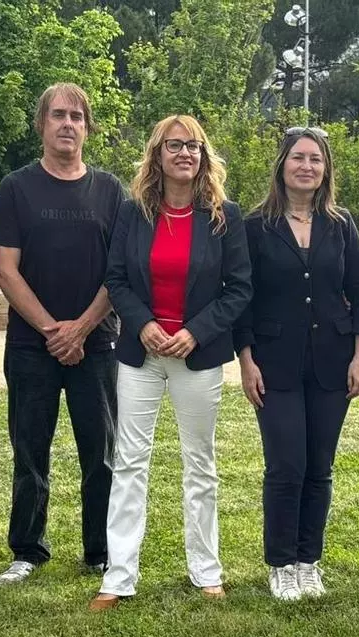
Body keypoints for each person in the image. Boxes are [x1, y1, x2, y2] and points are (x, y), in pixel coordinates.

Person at [88, 115, 252, 610]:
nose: (185, 153)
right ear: (157, 154)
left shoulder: (224, 216)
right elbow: (116, 278)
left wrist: (195, 332)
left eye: (194, 145)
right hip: (141, 355)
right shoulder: (132, 212)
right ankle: (119, 576)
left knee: (200, 463)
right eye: (175, 145)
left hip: (197, 355)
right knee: (129, 462)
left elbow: (239, 288)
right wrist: (142, 324)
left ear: (204, 156)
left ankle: (206, 570)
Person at [0, 83, 124, 584]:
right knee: (29, 451)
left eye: (77, 117)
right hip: (31, 345)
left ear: (88, 128)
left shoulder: (110, 190)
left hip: (98, 343)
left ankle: (101, 551)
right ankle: (27, 550)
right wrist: (52, 330)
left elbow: (121, 272)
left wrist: (81, 329)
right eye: (59, 115)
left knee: (101, 454)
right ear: (41, 124)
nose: (68, 124)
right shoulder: (16, 188)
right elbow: (6, 270)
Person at [234, 127, 359, 601]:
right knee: (286, 464)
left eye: (316, 159)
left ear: (325, 169)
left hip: (333, 362)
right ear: (282, 165)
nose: (307, 166)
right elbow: (242, 297)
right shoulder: (256, 226)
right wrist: (246, 360)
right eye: (298, 157)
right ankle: (280, 562)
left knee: (319, 466)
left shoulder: (341, 223)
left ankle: (308, 560)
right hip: (274, 363)